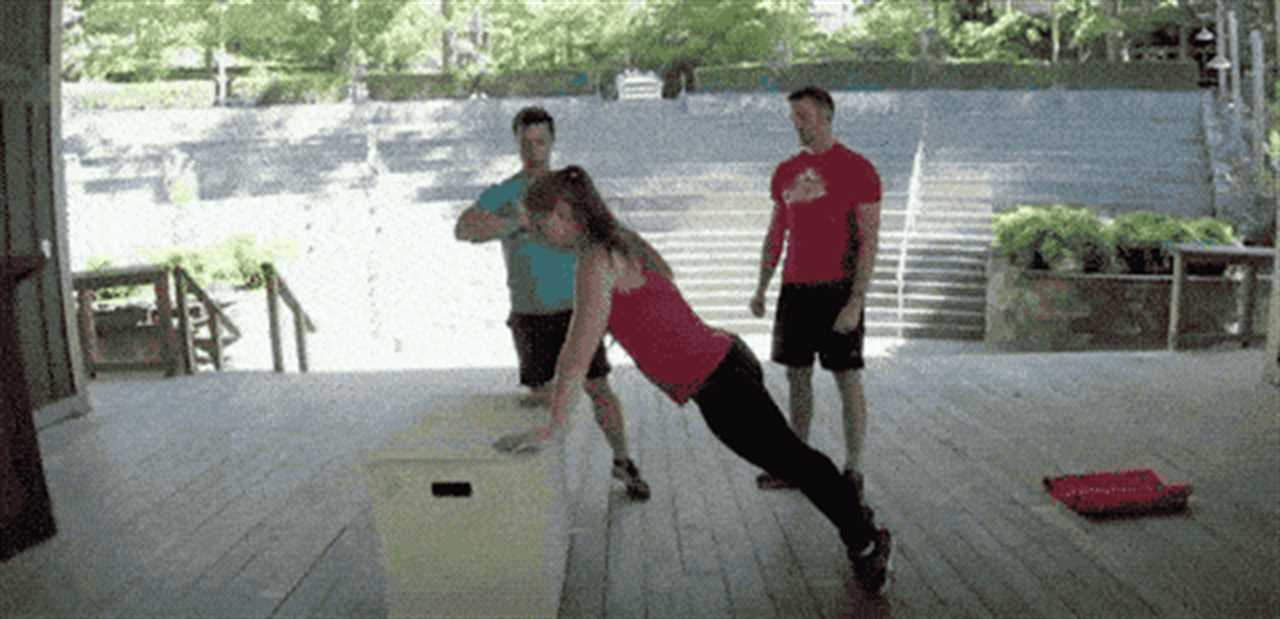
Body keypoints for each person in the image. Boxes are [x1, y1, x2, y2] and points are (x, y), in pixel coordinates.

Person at [494, 166, 891, 594]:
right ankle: (860, 526)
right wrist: (631, 321)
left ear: (563, 212)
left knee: (794, 461)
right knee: (789, 458)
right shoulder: (620, 239)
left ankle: (866, 539)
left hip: (720, 382)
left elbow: (575, 355)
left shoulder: (595, 261)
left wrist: (553, 425)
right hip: (724, 361)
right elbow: (662, 277)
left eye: (539, 224)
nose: (536, 234)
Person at [454, 107, 649, 500]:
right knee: (542, 399)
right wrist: (517, 223)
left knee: (598, 388)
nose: (533, 149)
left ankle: (624, 460)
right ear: (516, 142)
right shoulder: (506, 192)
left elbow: (610, 231)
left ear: (552, 141)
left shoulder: (569, 190)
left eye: (540, 141)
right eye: (525, 142)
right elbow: (464, 228)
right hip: (529, 314)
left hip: (575, 310)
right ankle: (548, 486)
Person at [749, 86, 882, 497]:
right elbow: (776, 234)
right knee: (797, 378)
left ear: (826, 115)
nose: (797, 124)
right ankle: (797, 463)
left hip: (837, 290)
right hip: (795, 289)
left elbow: (869, 240)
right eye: (793, 116)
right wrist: (762, 286)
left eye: (803, 115)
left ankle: (854, 469)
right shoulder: (784, 171)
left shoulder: (858, 169)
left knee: (847, 379)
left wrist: (856, 301)